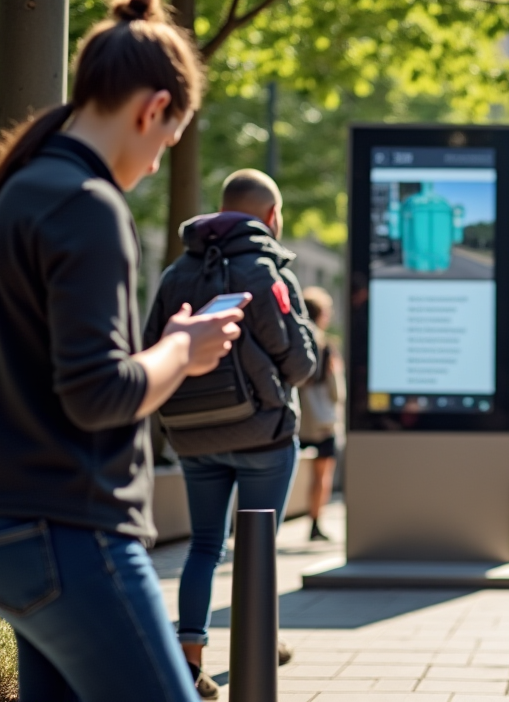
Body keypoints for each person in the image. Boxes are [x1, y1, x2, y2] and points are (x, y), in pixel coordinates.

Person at [0, 0, 240, 701]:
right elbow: (99, 394)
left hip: (1, 533)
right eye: (165, 145)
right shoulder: (88, 207)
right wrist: (182, 348)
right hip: (74, 535)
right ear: (151, 111)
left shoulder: (19, 189)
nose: (152, 166)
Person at [146, 168, 318, 696]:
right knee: (257, 543)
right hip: (262, 434)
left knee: (204, 544)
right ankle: (258, 644)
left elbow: (152, 342)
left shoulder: (177, 270)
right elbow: (301, 362)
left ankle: (190, 658)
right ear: (271, 215)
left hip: (194, 434)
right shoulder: (266, 270)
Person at [298, 286, 344, 542]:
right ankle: (315, 525)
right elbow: (338, 391)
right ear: (322, 314)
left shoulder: (292, 340)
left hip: (295, 419)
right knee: (321, 474)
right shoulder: (327, 346)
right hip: (322, 420)